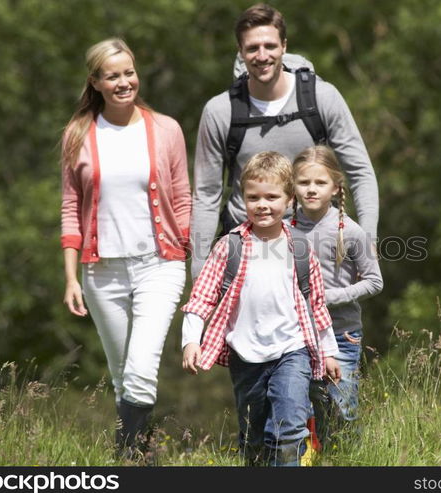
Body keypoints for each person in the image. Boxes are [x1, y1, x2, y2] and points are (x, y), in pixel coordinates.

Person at [59, 38, 191, 458]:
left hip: (160, 264)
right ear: (95, 82)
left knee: (138, 371)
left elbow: (184, 199)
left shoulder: (166, 129)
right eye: (112, 76)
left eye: (129, 72)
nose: (124, 82)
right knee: (121, 377)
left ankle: (124, 458)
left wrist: (188, 250)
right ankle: (142, 454)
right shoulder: (78, 134)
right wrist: (69, 277)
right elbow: (70, 207)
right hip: (101, 272)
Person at [190, 2, 379, 279]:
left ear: (284, 47)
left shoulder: (321, 98)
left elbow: (360, 172)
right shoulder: (220, 111)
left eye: (270, 46)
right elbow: (206, 195)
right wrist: (199, 270)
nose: (262, 55)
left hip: (316, 244)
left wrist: (367, 241)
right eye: (252, 48)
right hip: (249, 247)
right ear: (241, 53)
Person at [180, 151, 341, 466]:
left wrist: (329, 351)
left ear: (289, 199)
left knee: (291, 427)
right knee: (254, 436)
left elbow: (316, 305)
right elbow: (201, 298)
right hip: (246, 354)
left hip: (292, 350)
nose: (262, 204)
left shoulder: (300, 248)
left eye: (272, 196)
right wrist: (190, 341)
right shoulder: (230, 247)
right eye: (254, 197)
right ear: (243, 200)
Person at [291, 145, 383, 448]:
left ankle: (344, 458)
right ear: (293, 185)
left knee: (341, 408)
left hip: (341, 333)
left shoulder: (350, 231)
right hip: (294, 336)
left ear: (335, 186)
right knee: (300, 408)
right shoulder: (283, 229)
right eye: (304, 183)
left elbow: (374, 282)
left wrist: (328, 297)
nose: (312, 189)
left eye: (320, 183)